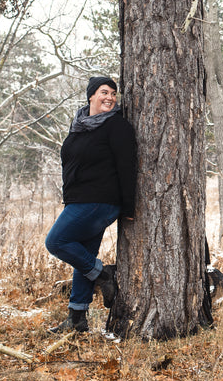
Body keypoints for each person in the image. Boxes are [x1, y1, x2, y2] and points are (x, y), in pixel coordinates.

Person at [45, 76, 137, 333]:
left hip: (100, 201)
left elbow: (127, 167)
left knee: (56, 242)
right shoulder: (80, 124)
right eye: (104, 92)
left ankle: (104, 276)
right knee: (82, 259)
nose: (109, 97)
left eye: (113, 94)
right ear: (91, 96)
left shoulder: (117, 126)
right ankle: (77, 319)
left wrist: (128, 207)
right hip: (79, 199)